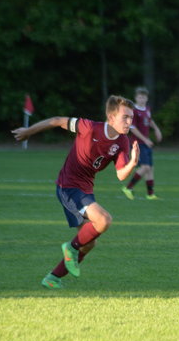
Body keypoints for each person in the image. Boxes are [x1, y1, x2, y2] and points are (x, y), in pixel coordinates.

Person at [12, 95, 139, 288]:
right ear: (111, 117)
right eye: (125, 117)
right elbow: (56, 120)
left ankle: (52, 278)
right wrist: (28, 132)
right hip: (68, 186)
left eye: (131, 117)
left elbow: (121, 175)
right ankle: (70, 248)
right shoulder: (89, 127)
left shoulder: (122, 141)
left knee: (89, 242)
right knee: (104, 220)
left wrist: (132, 163)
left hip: (85, 189)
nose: (130, 122)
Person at [121, 86, 163, 200]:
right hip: (137, 144)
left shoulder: (147, 109)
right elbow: (133, 128)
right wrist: (145, 139)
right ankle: (128, 188)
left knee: (150, 169)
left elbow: (149, 120)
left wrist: (156, 129)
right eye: (140, 97)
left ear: (147, 98)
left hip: (146, 143)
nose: (142, 99)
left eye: (144, 97)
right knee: (145, 167)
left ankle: (150, 194)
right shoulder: (133, 111)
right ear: (136, 98)